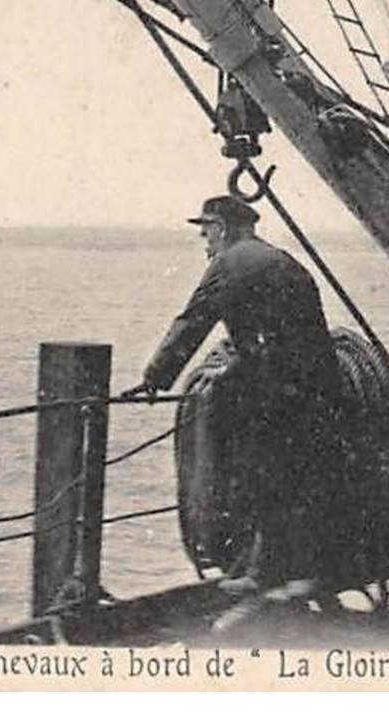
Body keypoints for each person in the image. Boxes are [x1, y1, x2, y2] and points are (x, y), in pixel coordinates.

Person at [132, 194, 345, 600]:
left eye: (206, 232)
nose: (204, 242)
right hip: (319, 384)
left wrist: (154, 378)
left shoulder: (229, 263)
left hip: (278, 390)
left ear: (224, 229)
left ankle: (265, 572)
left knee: (261, 473)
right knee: (302, 476)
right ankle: (299, 572)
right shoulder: (281, 259)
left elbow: (194, 320)